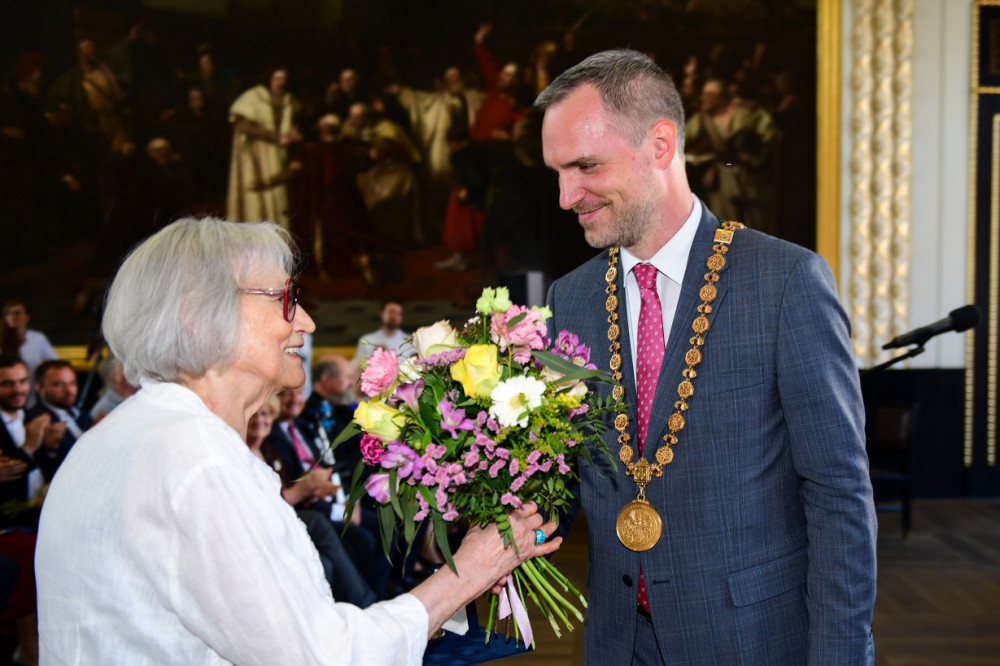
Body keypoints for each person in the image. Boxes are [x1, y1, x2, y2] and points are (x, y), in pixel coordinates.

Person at [34, 216, 561, 664]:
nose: (306, 321)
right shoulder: (194, 458)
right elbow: (318, 657)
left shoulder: (120, 439)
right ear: (199, 315)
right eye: (285, 299)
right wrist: (470, 570)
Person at [537, 50, 876, 665]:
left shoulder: (785, 282)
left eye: (585, 166)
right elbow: (559, 484)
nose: (566, 196)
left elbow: (838, 495)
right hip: (617, 643)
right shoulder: (572, 299)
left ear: (661, 144)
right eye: (557, 172)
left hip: (751, 642)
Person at [226, 68, 301, 229]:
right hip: (256, 156)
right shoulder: (253, 97)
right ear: (269, 79)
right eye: (278, 78)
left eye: (284, 78)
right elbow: (239, 123)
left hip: (281, 155)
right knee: (255, 201)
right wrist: (273, 136)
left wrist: (294, 135)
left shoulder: (290, 100)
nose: (282, 82)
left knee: (279, 197)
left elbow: (294, 124)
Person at [352, 299, 412, 371]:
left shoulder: (410, 342)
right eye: (391, 312)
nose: (394, 316)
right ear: (382, 314)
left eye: (398, 313)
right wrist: (373, 357)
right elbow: (355, 370)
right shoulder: (366, 340)